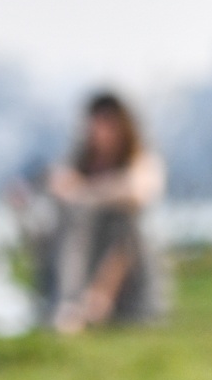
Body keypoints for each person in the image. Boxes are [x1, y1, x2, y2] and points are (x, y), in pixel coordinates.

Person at [10, 91, 169, 332]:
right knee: (58, 220)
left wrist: (85, 192)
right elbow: (57, 184)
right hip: (82, 255)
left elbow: (139, 191)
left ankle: (78, 302)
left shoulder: (141, 160)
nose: (99, 131)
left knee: (120, 220)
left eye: (108, 123)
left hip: (125, 269)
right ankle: (68, 301)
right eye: (95, 123)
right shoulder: (78, 160)